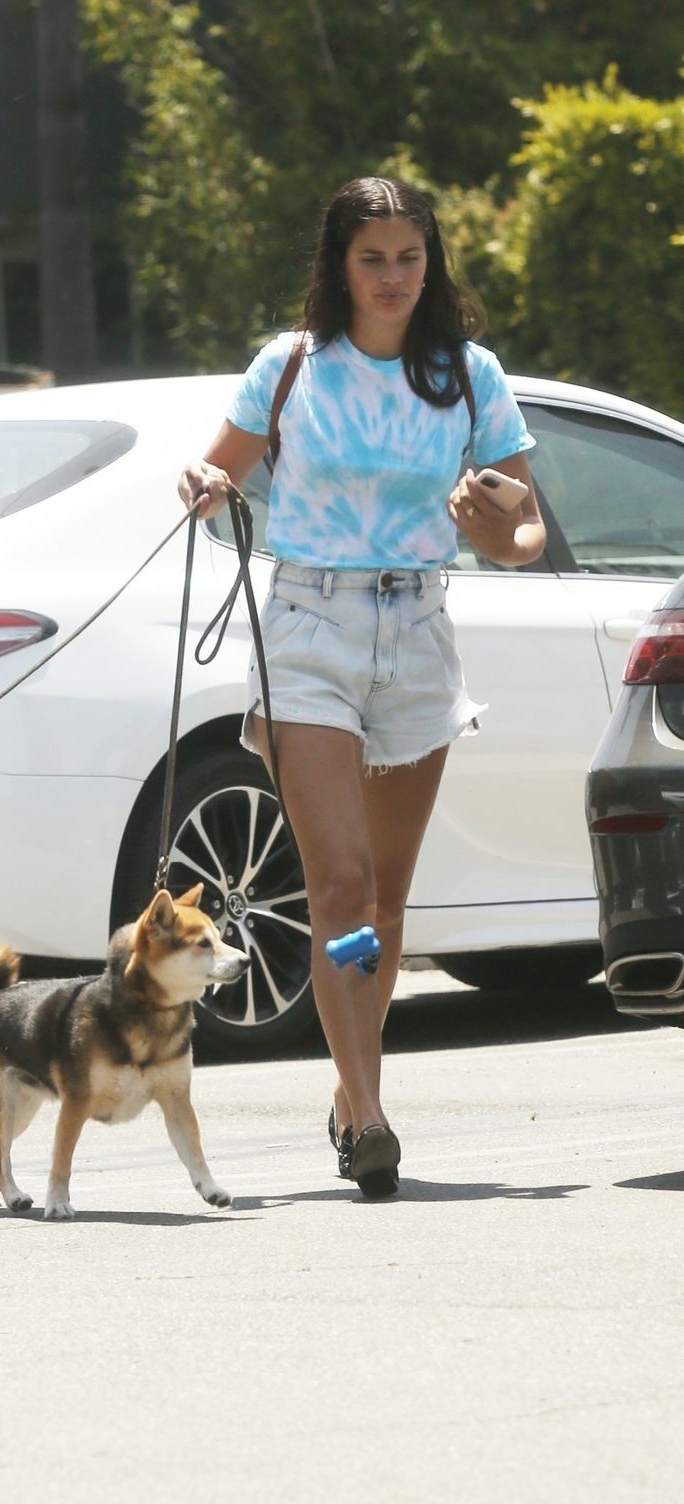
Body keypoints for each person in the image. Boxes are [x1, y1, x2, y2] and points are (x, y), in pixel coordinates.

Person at [177, 175, 545, 1199]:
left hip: (418, 626)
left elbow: (523, 532)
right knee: (336, 885)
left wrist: (489, 527)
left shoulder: (467, 374)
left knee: (383, 897)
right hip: (309, 625)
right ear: (338, 266)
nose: (391, 276)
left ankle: (349, 1097)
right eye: (371, 258)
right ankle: (372, 1116)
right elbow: (213, 476)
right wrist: (202, 483)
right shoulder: (290, 366)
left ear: (430, 263)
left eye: (408, 257)